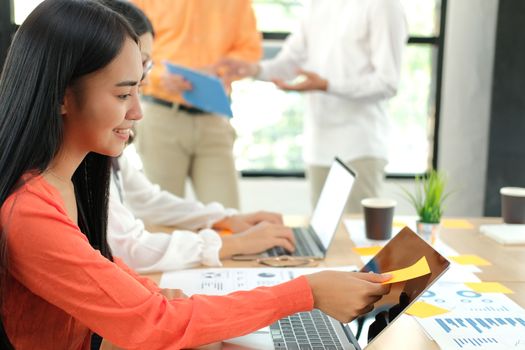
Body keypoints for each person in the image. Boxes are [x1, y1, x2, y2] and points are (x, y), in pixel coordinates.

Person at [0, 1, 392, 348]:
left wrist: (167, 300)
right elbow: (155, 324)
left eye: (139, 89)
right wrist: (306, 292)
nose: (137, 111)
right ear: (62, 97)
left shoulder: (65, 183)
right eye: (123, 95)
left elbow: (119, 279)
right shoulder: (31, 210)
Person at [102, 0, 295, 273]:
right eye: (126, 91)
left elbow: (147, 200)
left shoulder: (110, 151)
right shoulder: (87, 151)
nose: (136, 113)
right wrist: (228, 242)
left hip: (213, 112)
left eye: (146, 66)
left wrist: (227, 220)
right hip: (165, 109)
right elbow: (131, 248)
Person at [220, 0, 408, 213]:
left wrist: (328, 85)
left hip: (360, 146)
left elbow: (387, 83)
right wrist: (253, 69)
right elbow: (290, 62)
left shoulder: (384, 6)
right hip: (319, 148)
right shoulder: (316, 5)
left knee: (354, 241)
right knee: (323, 241)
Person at [129, 0, 263, 209]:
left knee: (228, 216)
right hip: (161, 115)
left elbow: (250, 48)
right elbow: (128, 46)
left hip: (214, 117)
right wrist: (157, 76)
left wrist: (220, 69)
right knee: (164, 214)